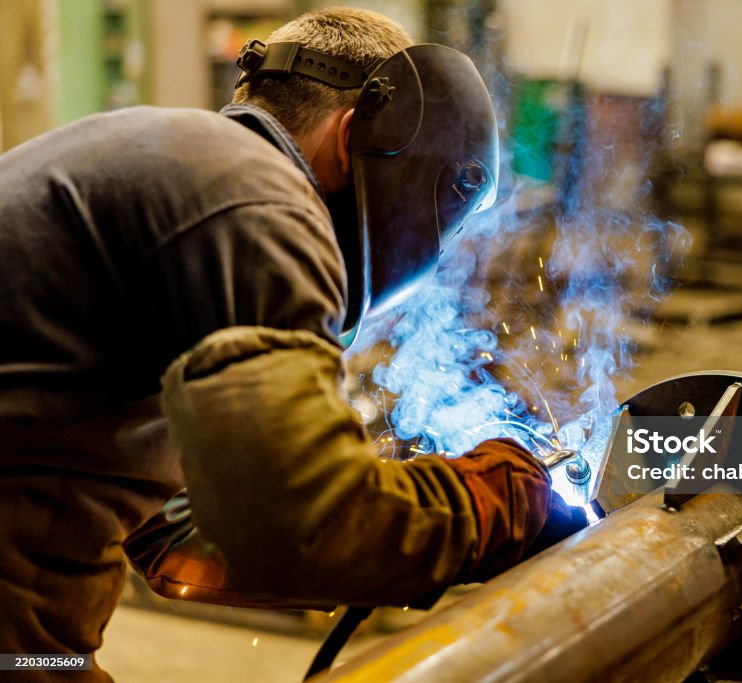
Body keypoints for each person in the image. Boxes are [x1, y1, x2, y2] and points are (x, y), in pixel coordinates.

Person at [0, 7, 586, 681]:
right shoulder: (262, 201)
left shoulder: (189, 179)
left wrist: (384, 495)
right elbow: (302, 527)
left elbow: (184, 535)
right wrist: (504, 500)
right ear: (361, 137)